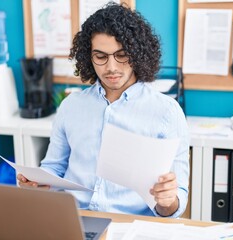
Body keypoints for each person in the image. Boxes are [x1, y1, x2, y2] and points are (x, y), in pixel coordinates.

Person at [18, 2, 189, 218]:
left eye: (122, 55)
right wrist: (38, 182)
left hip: (128, 226)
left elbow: (177, 201)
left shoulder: (167, 112)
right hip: (73, 219)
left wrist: (167, 201)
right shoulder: (71, 106)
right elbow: (53, 167)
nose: (111, 68)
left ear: (137, 54)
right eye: (101, 57)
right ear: (88, 57)